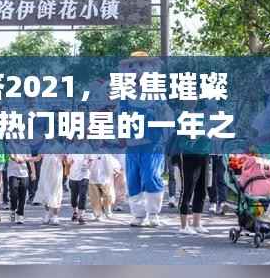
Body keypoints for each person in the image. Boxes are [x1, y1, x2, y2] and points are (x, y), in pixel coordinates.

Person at [119, 52, 173, 227]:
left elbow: (166, 115)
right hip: (132, 144)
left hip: (152, 143)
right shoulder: (124, 95)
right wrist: (121, 135)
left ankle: (153, 213)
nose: (136, 69)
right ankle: (138, 214)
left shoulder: (156, 94)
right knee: (132, 179)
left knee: (151, 176)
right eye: (132, 66)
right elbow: (120, 116)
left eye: (141, 65)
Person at [172, 100, 211, 235]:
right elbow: (188, 134)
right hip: (188, 155)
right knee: (187, 189)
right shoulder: (180, 115)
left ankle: (197, 223)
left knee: (202, 189)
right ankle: (184, 226)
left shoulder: (202, 115)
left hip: (203, 154)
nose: (192, 101)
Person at [7, 144, 37, 224]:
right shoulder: (11, 145)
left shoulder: (26, 147)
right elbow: (11, 155)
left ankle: (20, 214)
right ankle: (13, 209)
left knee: (23, 195)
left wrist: (33, 172)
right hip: (13, 173)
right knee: (13, 194)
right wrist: (16, 159)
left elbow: (30, 161)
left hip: (24, 174)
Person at [33, 153, 65, 225]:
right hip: (45, 173)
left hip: (56, 173)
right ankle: (47, 213)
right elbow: (38, 158)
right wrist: (26, 159)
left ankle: (55, 216)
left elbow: (64, 158)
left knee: (56, 193)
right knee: (45, 192)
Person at [89, 153, 119, 221]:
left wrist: (115, 169)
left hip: (105, 179)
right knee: (95, 198)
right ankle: (98, 214)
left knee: (108, 196)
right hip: (92, 178)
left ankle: (108, 211)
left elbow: (113, 162)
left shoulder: (106, 153)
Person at [66, 153, 91, 224]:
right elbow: (68, 161)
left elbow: (91, 160)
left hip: (84, 176)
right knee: (73, 197)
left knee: (83, 195)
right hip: (73, 176)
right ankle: (75, 212)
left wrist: (87, 165)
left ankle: (81, 216)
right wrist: (69, 161)